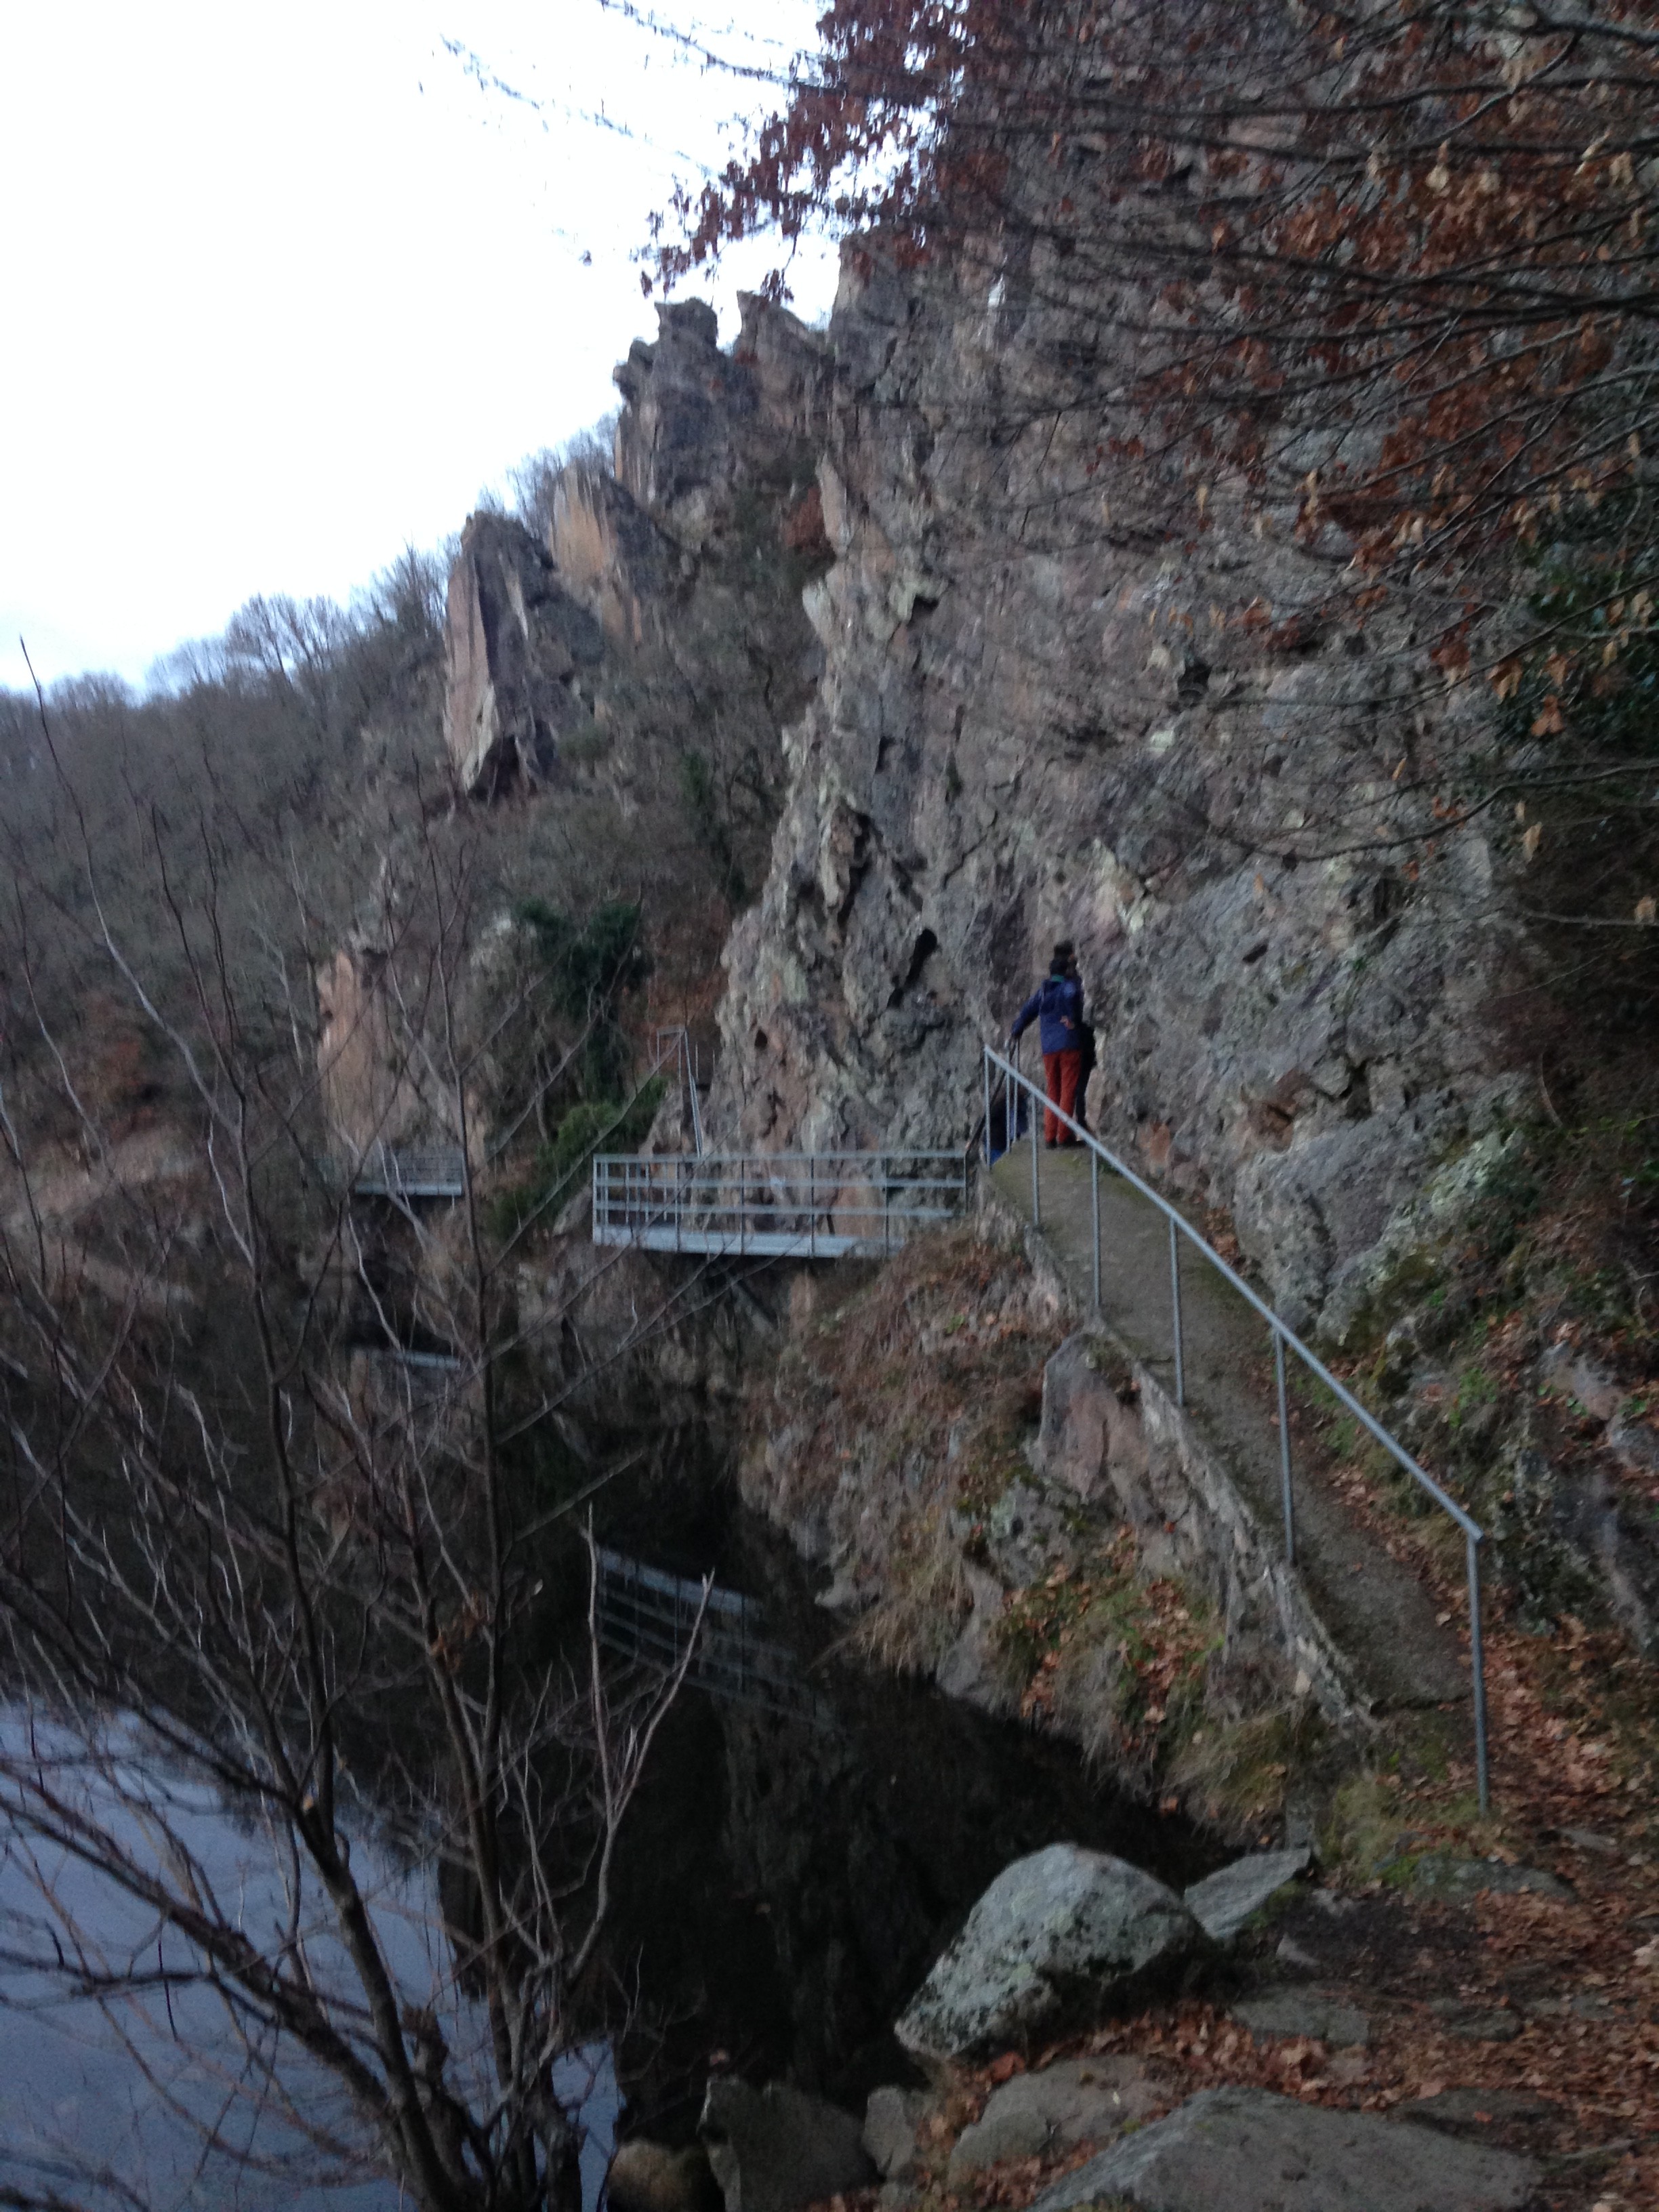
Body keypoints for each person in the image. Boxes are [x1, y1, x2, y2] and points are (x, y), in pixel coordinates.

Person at [1009, 945, 1084, 1147]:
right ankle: (1064, 1136)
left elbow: (1027, 1011)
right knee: (1068, 1090)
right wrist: (1074, 1020)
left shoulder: (1043, 991)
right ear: (1066, 971)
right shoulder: (1068, 986)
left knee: (1053, 1090)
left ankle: (1050, 1137)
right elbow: (1072, 996)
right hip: (1068, 1044)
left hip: (1049, 1047)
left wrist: (1017, 1030)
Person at [1066, 946, 1096, 1132]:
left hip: (1069, 1040)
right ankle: (1080, 1120)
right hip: (1082, 1038)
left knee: (1071, 1083)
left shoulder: (1062, 986)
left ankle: (1070, 1124)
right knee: (1081, 1081)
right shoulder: (1079, 986)